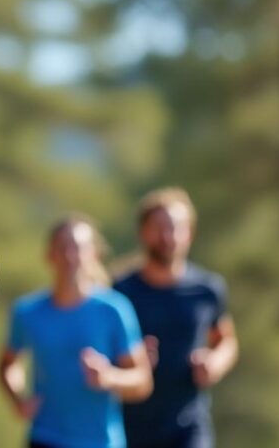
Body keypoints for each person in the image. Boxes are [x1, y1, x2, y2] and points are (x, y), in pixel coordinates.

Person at [0, 214, 153, 448]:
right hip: (44, 438)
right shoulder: (27, 311)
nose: (71, 256)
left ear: (94, 255)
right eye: (63, 248)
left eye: (78, 248)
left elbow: (142, 380)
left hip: (100, 442)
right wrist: (19, 399)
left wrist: (109, 377)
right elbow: (8, 364)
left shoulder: (114, 309)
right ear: (49, 255)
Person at [113, 188, 239, 448]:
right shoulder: (119, 292)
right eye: (159, 227)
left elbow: (226, 341)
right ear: (143, 232)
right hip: (130, 426)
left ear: (189, 234)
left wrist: (213, 363)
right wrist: (129, 361)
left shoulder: (207, 289)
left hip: (188, 425)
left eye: (176, 228)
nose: (168, 236)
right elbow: (100, 351)